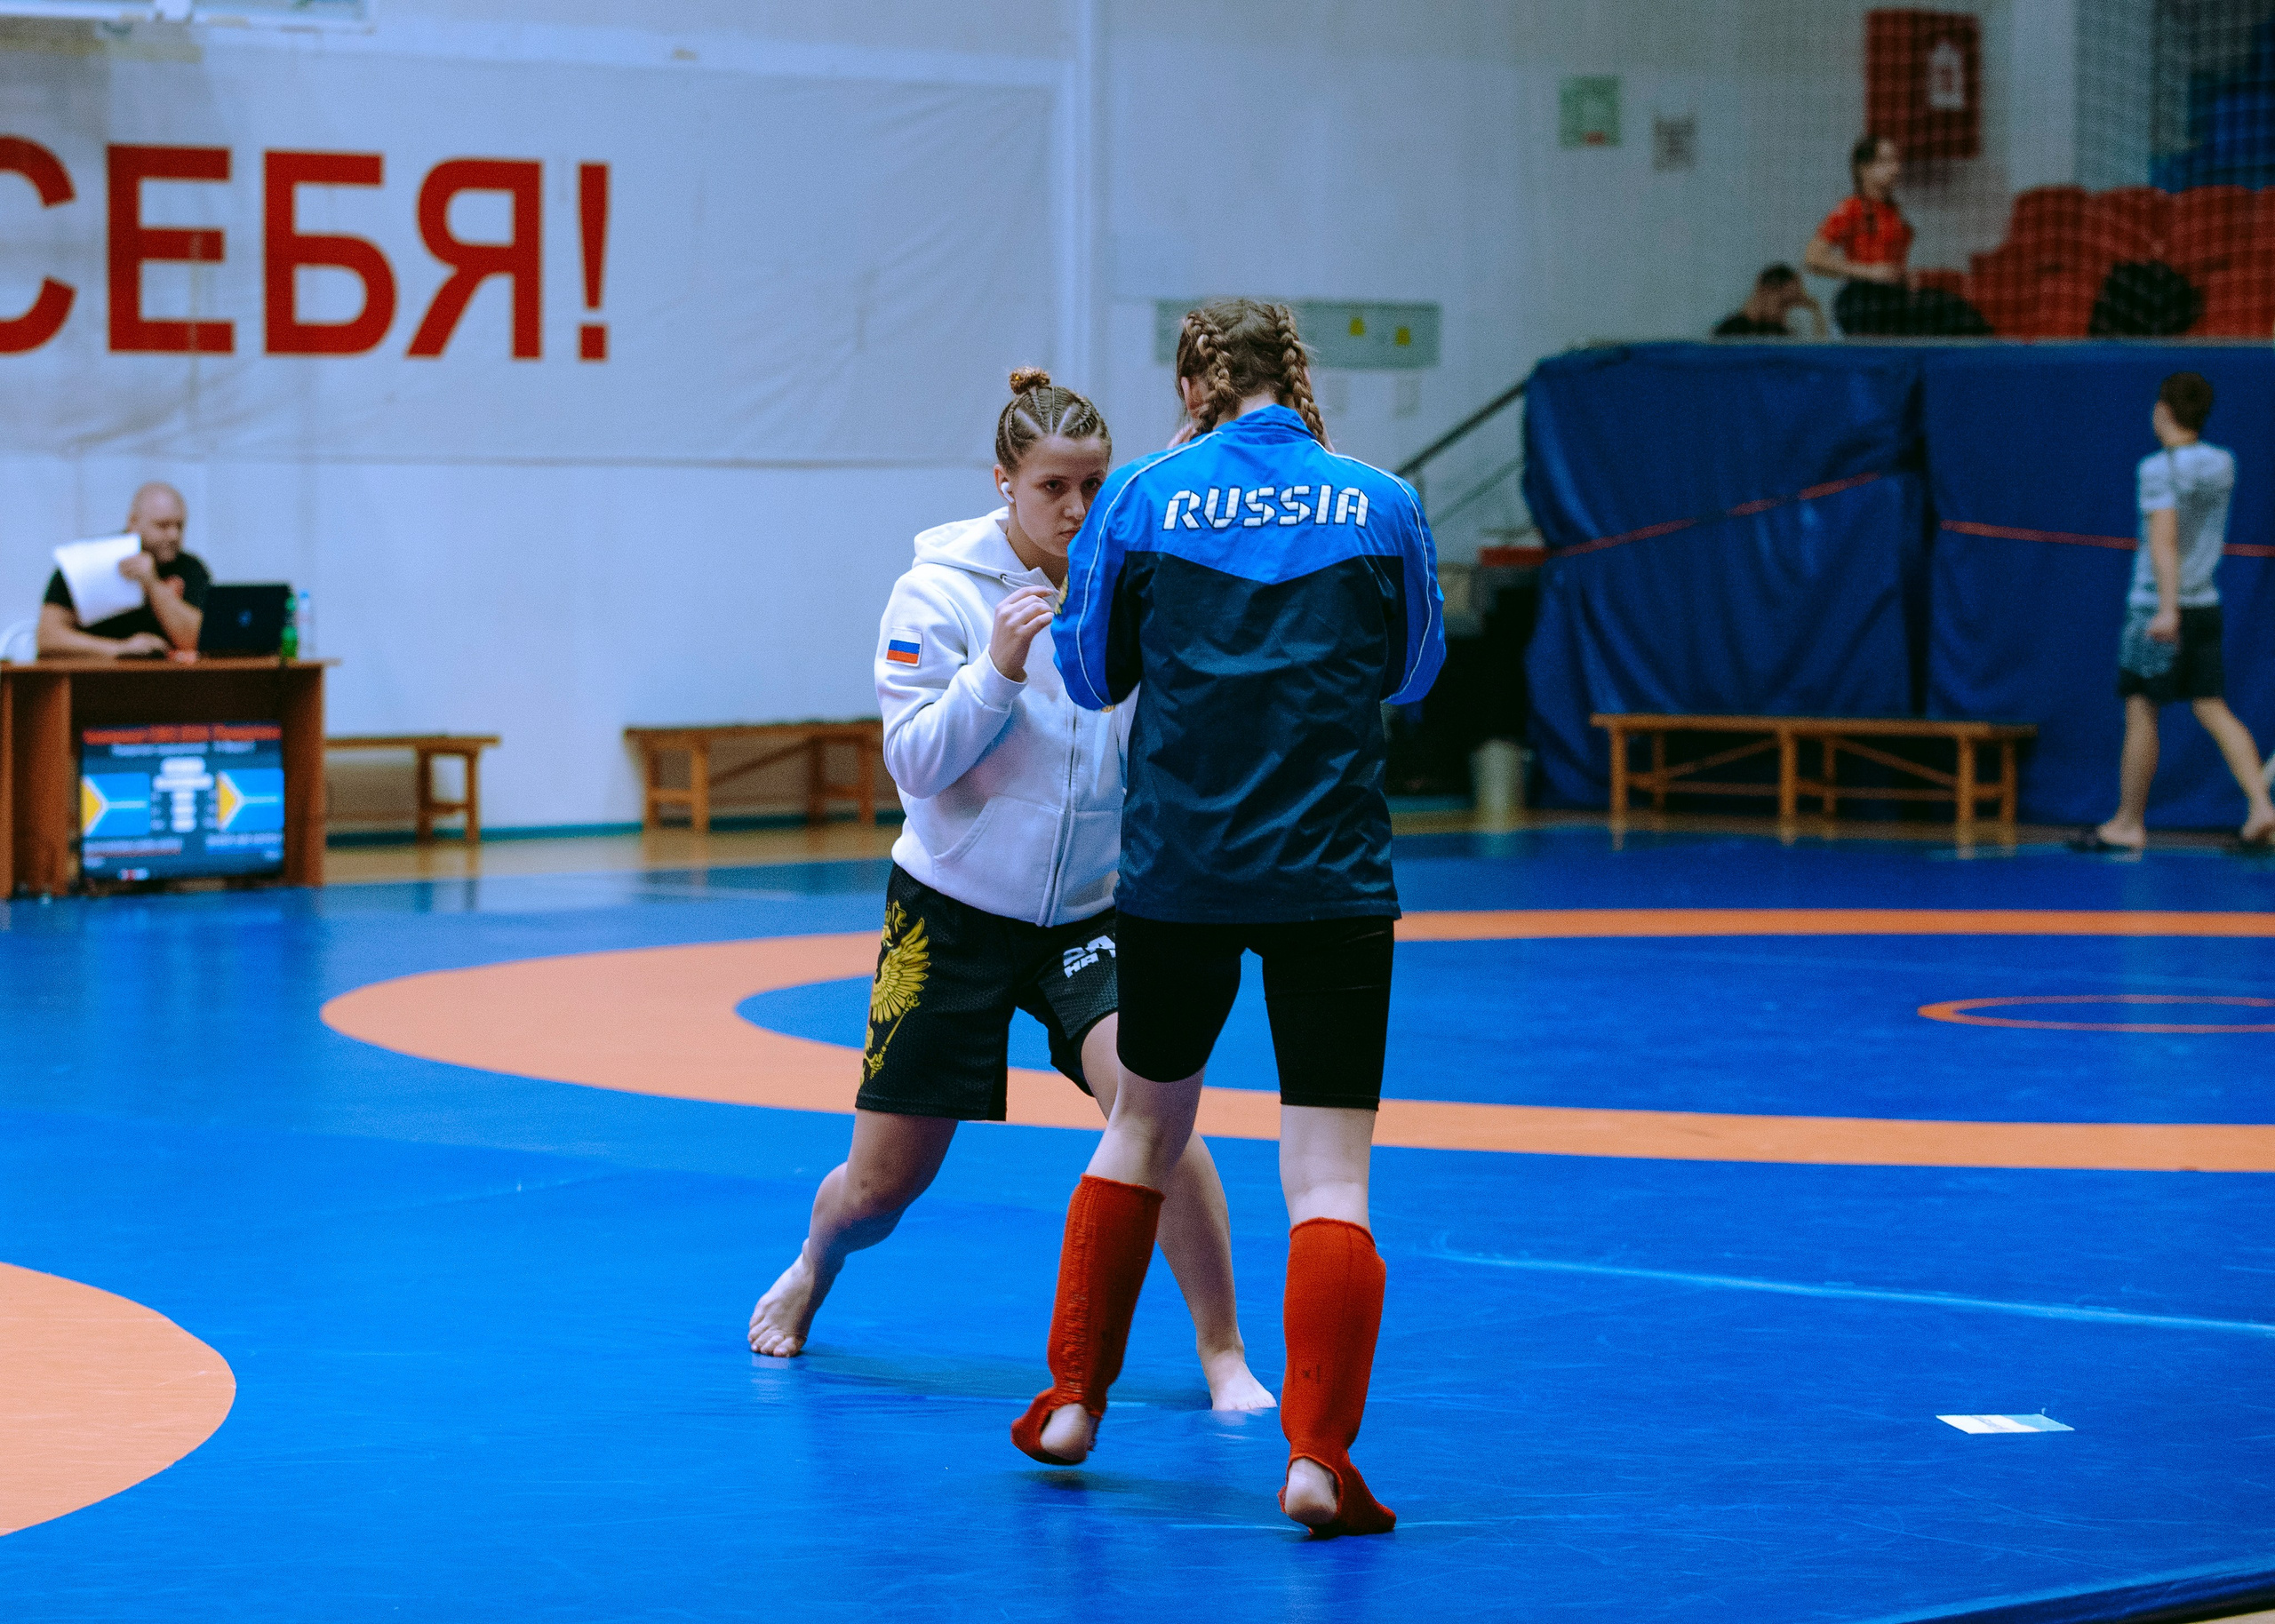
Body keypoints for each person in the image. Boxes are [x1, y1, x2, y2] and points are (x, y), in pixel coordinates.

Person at [746, 368, 1273, 1414]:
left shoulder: (1129, 577)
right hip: (951, 911)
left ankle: (1223, 1354)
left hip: (1091, 915)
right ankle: (815, 1262)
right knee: (882, 1188)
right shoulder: (934, 592)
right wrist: (994, 667)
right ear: (1004, 483)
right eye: (1053, 489)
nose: (1076, 510)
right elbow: (915, 764)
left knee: (1155, 1111)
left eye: (1093, 485)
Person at [1011, 299, 1444, 1538]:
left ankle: (1073, 1405)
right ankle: (1316, 1461)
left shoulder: (1145, 497)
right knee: (1328, 1179)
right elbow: (1412, 670)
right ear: (1292, 376)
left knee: (1141, 1127)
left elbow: (1091, 677)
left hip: (1178, 874)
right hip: (1331, 877)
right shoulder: (1380, 499)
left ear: (1195, 384)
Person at [2073, 371, 2275, 853]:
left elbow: (2163, 542)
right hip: (2206, 601)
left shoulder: (2158, 469)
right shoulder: (2223, 463)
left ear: (2163, 410)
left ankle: (2126, 823)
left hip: (2156, 609)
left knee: (2142, 710)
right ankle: (2261, 807)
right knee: (2211, 705)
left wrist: (2166, 610)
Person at [1804, 136, 1986, 337]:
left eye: (1896, 161)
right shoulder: (1851, 208)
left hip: (1894, 297)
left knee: (1958, 314)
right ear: (1864, 169)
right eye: (1885, 161)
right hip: (1863, 299)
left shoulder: (1893, 213)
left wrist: (1903, 276)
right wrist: (1870, 272)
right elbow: (1813, 258)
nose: (1895, 169)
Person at [36, 482, 207, 658]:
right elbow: (48, 639)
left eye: (179, 526)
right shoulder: (86, 563)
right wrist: (121, 649)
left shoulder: (191, 569)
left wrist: (153, 584)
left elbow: (199, 640)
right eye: (162, 526)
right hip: (95, 677)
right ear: (133, 521)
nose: (173, 535)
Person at [1713, 265, 1825, 338]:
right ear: (1766, 291)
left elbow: (1819, 352)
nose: (1785, 313)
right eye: (1784, 304)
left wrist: (1815, 310)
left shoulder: (1781, 333)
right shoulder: (1730, 332)